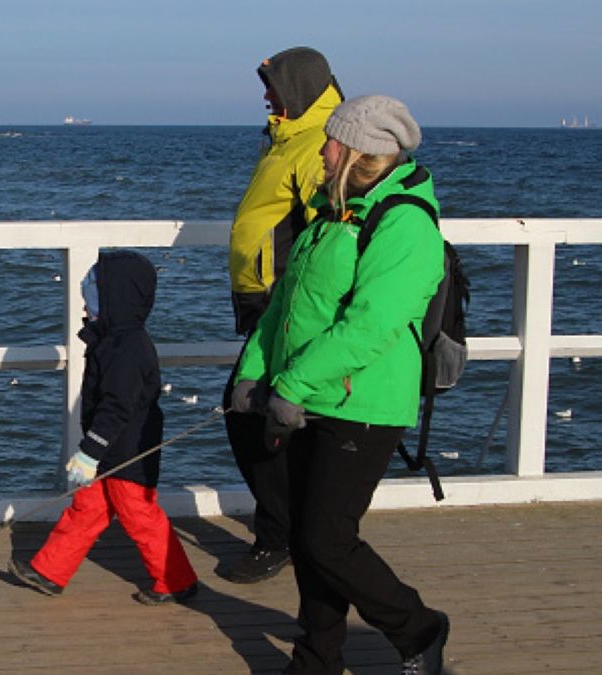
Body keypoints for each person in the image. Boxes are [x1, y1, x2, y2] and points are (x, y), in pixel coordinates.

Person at [232, 95, 450, 674]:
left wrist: (291, 385)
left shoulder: (405, 223)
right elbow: (285, 304)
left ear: (359, 152)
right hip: (309, 397)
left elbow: (370, 327)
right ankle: (316, 659)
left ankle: (419, 629)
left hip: (365, 403)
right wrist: (254, 371)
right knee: (309, 540)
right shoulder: (333, 213)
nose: (322, 151)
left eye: (331, 141)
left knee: (327, 540)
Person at [8, 250, 200, 605]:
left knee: (139, 515)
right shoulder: (111, 340)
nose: (85, 309)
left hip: (129, 450)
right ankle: (50, 571)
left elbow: (117, 407)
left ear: (116, 301)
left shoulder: (128, 349)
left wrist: (89, 452)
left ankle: (176, 580)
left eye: (92, 302)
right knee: (87, 508)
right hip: (110, 448)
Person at [219, 46, 344, 584]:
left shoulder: (318, 144)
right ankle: (293, 530)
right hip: (265, 300)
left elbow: (327, 236)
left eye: (272, 86)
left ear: (300, 87)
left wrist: (292, 299)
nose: (266, 96)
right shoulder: (287, 136)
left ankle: (280, 538)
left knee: (249, 415)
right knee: (259, 417)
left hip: (285, 303)